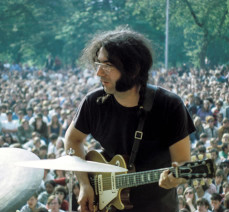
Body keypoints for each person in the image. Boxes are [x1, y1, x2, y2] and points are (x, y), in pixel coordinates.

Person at [64, 28, 195, 212]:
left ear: (133, 69)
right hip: (108, 206)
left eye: (108, 65)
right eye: (98, 64)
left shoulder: (169, 106)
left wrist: (177, 178)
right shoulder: (94, 103)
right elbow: (72, 140)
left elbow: (183, 164)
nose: (99, 73)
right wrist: (85, 184)